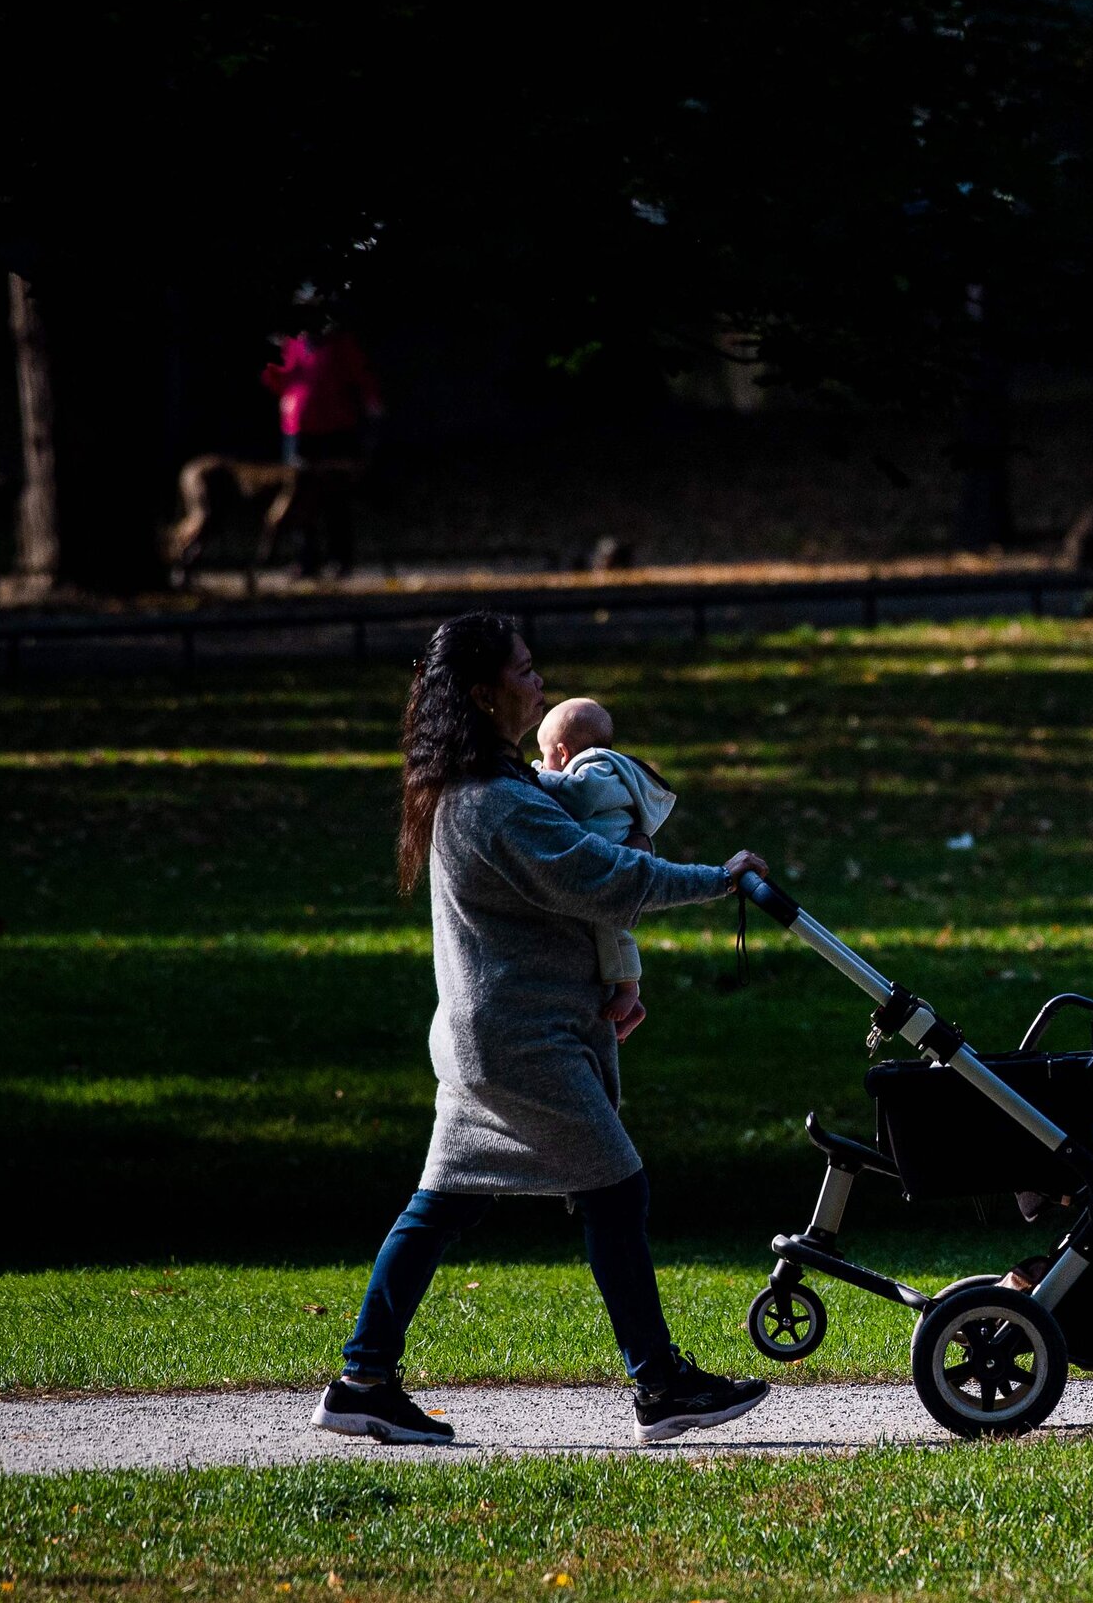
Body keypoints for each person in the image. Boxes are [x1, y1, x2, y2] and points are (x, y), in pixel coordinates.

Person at [311, 612, 772, 1447]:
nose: (540, 683)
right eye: (525, 671)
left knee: (443, 1206)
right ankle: (660, 1385)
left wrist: (610, 974)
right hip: (523, 1040)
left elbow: (573, 867)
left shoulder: (491, 783)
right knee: (616, 1189)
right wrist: (719, 879)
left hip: (495, 1033)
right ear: (485, 693)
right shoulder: (492, 802)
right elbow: (601, 877)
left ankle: (363, 1378)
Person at [533, 696, 672, 1042]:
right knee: (607, 930)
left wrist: (533, 777)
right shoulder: (600, 769)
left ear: (563, 754)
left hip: (613, 867)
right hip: (606, 863)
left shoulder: (598, 769)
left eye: (547, 758)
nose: (544, 766)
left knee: (610, 929)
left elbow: (576, 798)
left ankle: (629, 991)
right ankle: (627, 993)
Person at [260, 311, 383, 574]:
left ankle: (339, 558)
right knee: (298, 496)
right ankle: (306, 559)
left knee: (335, 496)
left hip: (335, 430)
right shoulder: (292, 343)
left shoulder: (340, 343)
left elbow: (361, 377)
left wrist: (373, 410)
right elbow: (278, 380)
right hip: (299, 430)